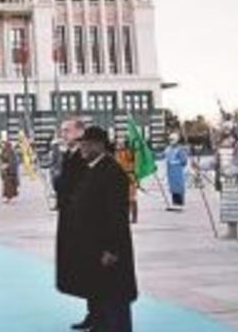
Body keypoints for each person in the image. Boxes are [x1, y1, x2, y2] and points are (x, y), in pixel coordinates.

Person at [71, 126, 138, 332]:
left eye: (87, 143)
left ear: (99, 145)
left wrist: (111, 249)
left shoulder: (112, 172)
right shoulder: (95, 168)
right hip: (95, 247)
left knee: (115, 302)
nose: (82, 147)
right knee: (102, 299)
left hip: (109, 251)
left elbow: (117, 216)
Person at [54, 117, 95, 331]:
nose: (63, 133)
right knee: (83, 267)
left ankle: (99, 314)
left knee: (92, 267)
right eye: (62, 130)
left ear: (80, 131)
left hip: (83, 219)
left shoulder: (87, 154)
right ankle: (93, 313)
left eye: (66, 130)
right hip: (70, 216)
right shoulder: (69, 152)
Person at [114, 138, 139, 224]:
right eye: (118, 144)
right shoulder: (116, 153)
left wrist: (132, 149)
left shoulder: (129, 152)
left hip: (129, 177)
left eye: (121, 144)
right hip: (119, 178)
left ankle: (134, 217)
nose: (119, 145)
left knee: (131, 199)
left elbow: (133, 158)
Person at [163, 133, 189, 210]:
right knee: (173, 187)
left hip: (177, 170)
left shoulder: (180, 149)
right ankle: (174, 203)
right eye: (170, 139)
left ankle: (180, 203)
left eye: (172, 139)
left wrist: (177, 163)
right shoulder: (167, 149)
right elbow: (163, 156)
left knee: (179, 186)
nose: (171, 141)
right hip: (170, 170)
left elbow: (184, 161)